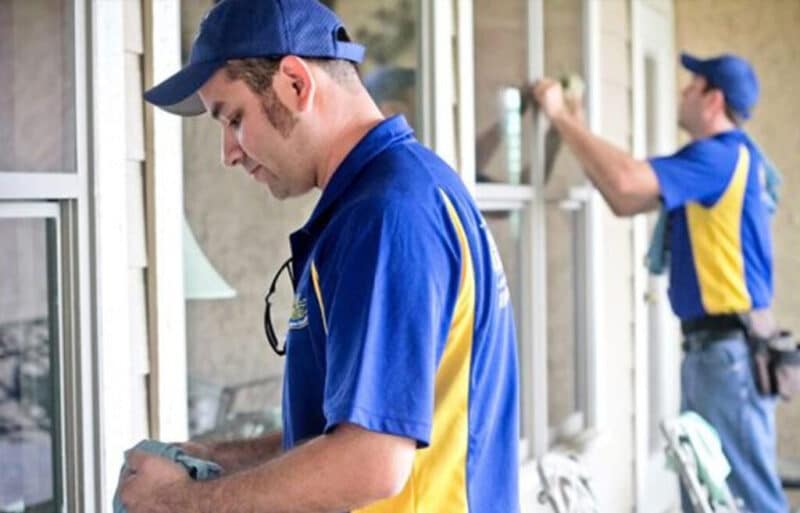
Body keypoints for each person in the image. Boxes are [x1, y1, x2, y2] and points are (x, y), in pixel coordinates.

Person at [118, 1, 520, 512]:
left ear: (294, 84)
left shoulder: (387, 214)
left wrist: (179, 503)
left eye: (234, 118)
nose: (228, 152)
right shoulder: (408, 189)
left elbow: (369, 460)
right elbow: (348, 430)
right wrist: (213, 458)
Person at [532, 52, 788, 513]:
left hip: (727, 355)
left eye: (692, 85)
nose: (682, 92)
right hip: (721, 352)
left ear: (714, 99)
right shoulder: (731, 158)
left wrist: (558, 117)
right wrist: (575, 127)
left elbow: (627, 182)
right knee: (708, 494)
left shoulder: (718, 156)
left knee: (745, 498)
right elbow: (622, 198)